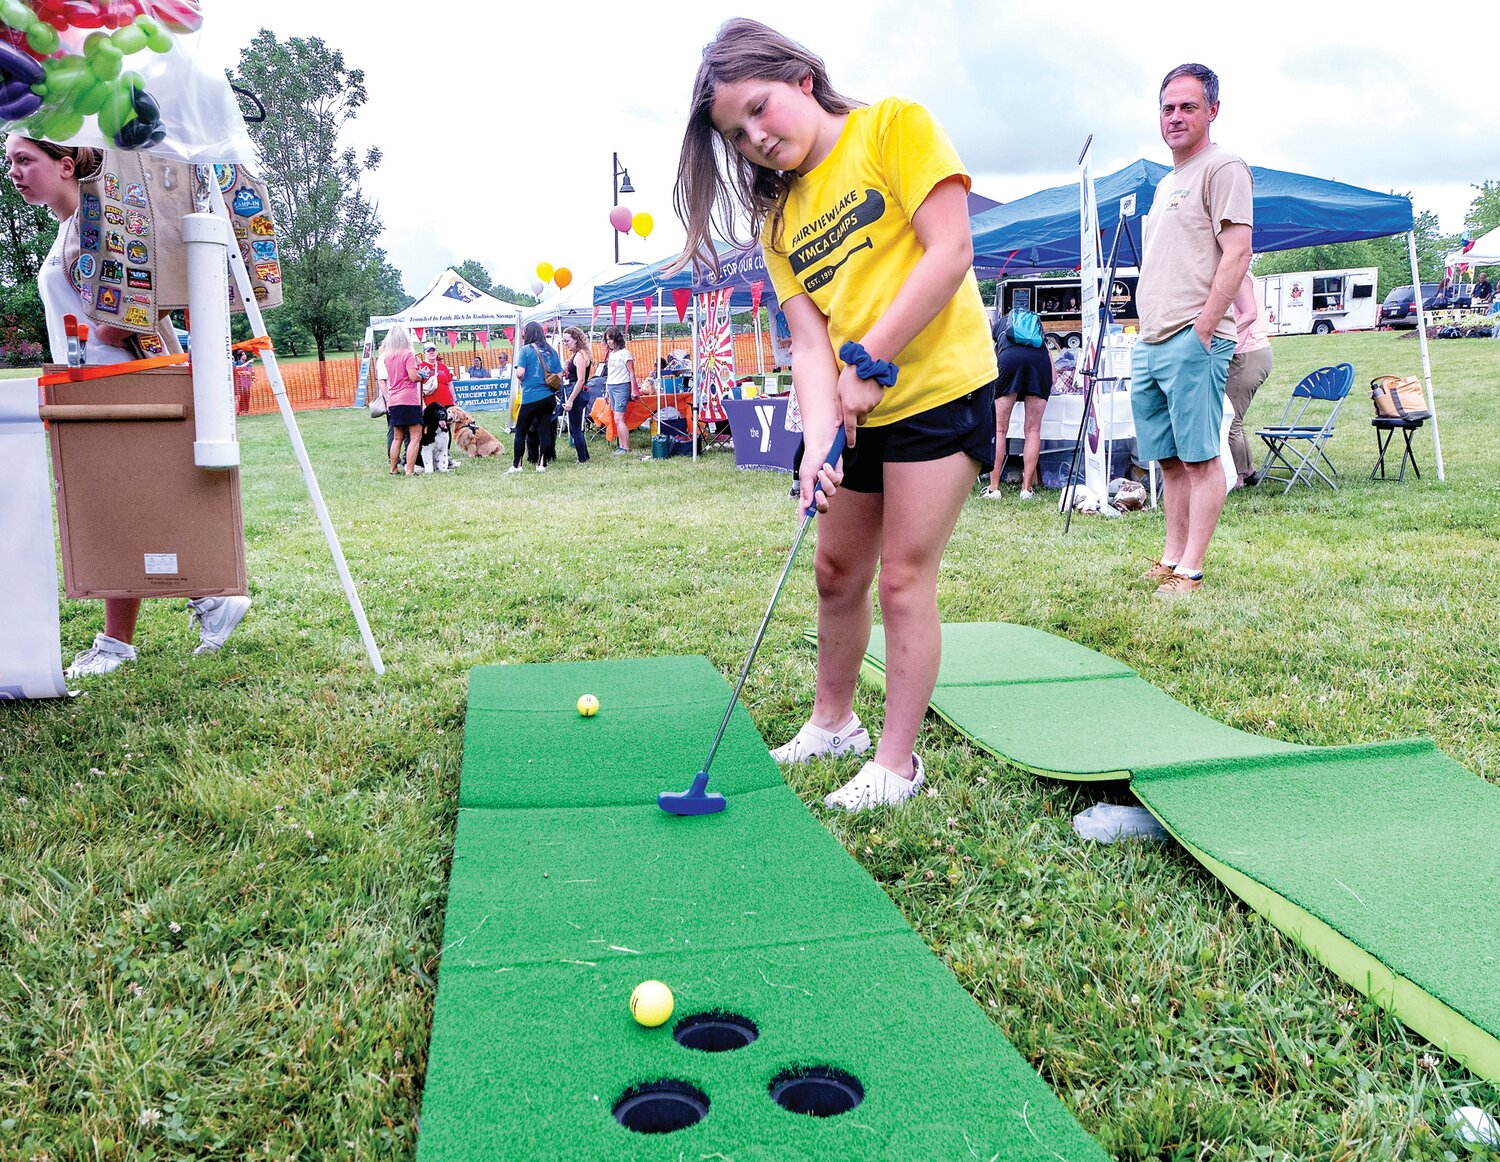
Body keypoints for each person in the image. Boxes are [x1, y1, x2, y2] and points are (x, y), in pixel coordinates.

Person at [671, 19, 997, 810]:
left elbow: (949, 251)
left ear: (801, 80)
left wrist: (871, 362)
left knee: (904, 580)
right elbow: (810, 346)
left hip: (940, 392)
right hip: (856, 408)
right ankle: (833, 723)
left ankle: (896, 764)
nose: (754, 137)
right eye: (735, 133)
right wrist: (817, 442)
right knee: (835, 571)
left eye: (760, 108)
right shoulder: (777, 221)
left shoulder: (893, 127)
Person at [4, 135, 251, 678]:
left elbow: (154, 272)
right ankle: (205, 602)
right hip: (91, 382)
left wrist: (116, 327)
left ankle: (132, 636)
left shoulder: (101, 215)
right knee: (121, 503)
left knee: (124, 503)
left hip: (126, 379)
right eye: (10, 162)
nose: (14, 172)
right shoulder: (66, 226)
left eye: (25, 160)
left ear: (65, 164)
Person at [1130, 63, 1252, 597]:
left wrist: (1204, 328)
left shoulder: (1222, 167)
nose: (1175, 117)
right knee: (1170, 460)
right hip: (1152, 339)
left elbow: (1239, 251)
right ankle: (1171, 558)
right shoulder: (1165, 183)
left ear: (1212, 111)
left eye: (1188, 107)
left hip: (1192, 337)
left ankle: (1192, 570)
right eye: (1167, 108)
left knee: (1201, 458)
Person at [983, 312, 1051, 500]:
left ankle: (993, 488)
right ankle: (1026, 489)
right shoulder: (1037, 329)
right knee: (1033, 430)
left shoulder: (1000, 326)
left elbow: (991, 357)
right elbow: (1052, 369)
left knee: (999, 430)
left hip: (1009, 360)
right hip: (1040, 363)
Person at [1226, 272, 1273, 488]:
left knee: (1229, 420)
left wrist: (1218, 335)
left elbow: (1249, 314)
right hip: (1253, 353)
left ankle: (1237, 477)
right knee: (1234, 417)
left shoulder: (1240, 275)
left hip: (1248, 354)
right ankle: (1247, 470)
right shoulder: (1244, 275)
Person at [510, 321, 562, 473]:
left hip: (531, 396)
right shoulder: (552, 351)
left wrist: (523, 381)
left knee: (521, 431)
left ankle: (517, 465)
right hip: (549, 397)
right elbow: (559, 375)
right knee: (544, 431)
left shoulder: (525, 350)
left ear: (528, 334)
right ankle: (542, 464)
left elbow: (520, 372)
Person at [380, 325, 425, 475]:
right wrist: (421, 376)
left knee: (397, 437)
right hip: (409, 399)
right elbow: (413, 377)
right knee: (415, 436)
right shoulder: (408, 354)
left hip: (393, 399)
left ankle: (393, 469)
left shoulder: (387, 356)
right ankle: (410, 471)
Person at [418, 341, 457, 472]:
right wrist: (422, 404)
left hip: (446, 402)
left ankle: (445, 456)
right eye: (428, 350)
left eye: (433, 350)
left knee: (446, 430)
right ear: (424, 353)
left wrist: (454, 399)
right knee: (430, 432)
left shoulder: (442, 367)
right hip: (431, 406)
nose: (431, 352)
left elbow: (450, 384)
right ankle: (428, 458)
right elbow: (419, 387)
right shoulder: (421, 367)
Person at [602, 325, 639, 454]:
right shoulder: (611, 354)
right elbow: (610, 374)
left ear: (617, 339)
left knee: (619, 418)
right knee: (617, 419)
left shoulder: (625, 353)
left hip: (622, 386)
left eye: (611, 339)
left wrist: (633, 390)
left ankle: (626, 447)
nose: (609, 342)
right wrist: (607, 391)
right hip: (611, 386)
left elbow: (632, 373)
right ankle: (622, 446)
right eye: (607, 339)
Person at [561, 326, 593, 464]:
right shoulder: (579, 354)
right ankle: (584, 455)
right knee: (575, 428)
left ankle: (582, 458)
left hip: (577, 392)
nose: (565, 343)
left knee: (575, 428)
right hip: (579, 391)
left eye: (567, 340)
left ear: (576, 340)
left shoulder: (580, 356)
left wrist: (571, 400)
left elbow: (580, 380)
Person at [233, 350, 254, 416]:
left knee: (246, 396)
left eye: (245, 354)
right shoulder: (236, 363)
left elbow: (249, 372)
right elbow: (235, 370)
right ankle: (239, 410)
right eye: (243, 354)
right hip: (238, 383)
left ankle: (245, 410)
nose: (245, 355)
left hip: (246, 383)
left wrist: (240, 372)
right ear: (240, 356)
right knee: (238, 397)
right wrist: (242, 372)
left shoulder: (249, 364)